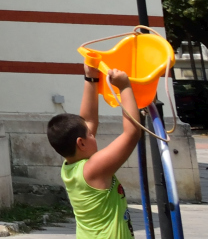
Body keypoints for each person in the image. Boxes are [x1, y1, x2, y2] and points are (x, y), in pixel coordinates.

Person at [47, 64, 144, 239]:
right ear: (81, 144)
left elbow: (89, 120)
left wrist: (91, 78)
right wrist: (124, 87)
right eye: (90, 134)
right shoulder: (93, 169)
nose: (94, 134)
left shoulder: (70, 167)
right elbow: (132, 133)